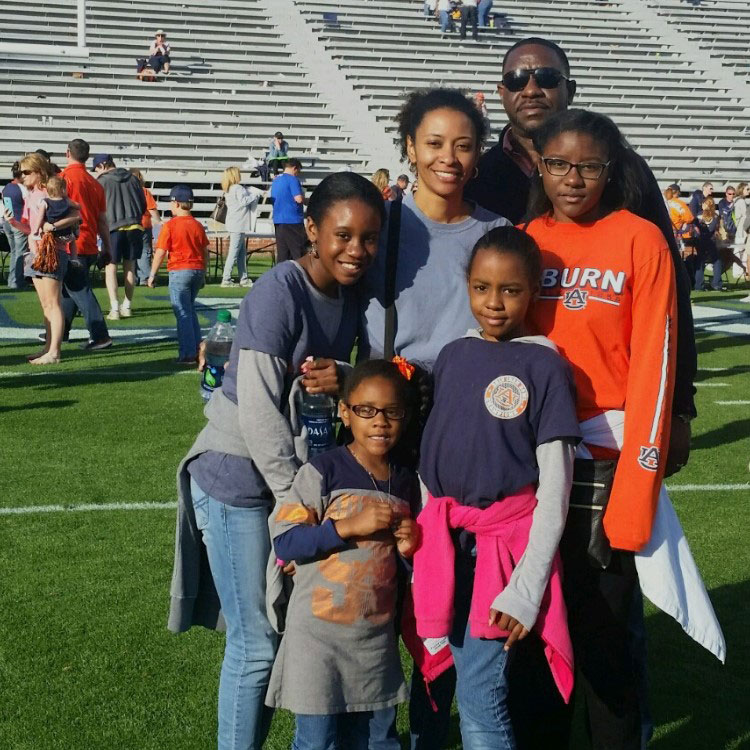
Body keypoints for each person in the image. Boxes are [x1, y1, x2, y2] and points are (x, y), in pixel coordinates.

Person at [167, 172, 386, 750]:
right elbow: (260, 412)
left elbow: (350, 380)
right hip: (237, 478)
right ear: (311, 229)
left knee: (281, 630)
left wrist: (348, 378)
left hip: (287, 480)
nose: (357, 250)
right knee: (256, 643)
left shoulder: (352, 294)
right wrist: (299, 504)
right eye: (343, 235)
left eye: (369, 238)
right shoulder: (279, 291)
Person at [464, 36, 696, 475]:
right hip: (522, 413)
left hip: (612, 417)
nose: (531, 88)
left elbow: (670, 295)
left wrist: (680, 405)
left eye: (546, 77)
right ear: (501, 92)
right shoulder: (479, 174)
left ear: (570, 89)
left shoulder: (625, 168)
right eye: (517, 78)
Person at [359, 87, 508, 749]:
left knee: (444, 595)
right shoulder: (380, 225)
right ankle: (377, 733)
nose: (449, 157)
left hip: (467, 433)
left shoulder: (499, 233)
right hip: (386, 427)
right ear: (410, 148)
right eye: (435, 143)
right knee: (375, 594)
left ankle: (429, 730)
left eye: (464, 145)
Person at [525, 108, 677, 749]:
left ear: (610, 171)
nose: (573, 178)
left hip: (606, 462)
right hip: (531, 462)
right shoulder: (524, 238)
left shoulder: (641, 239)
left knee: (604, 637)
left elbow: (655, 367)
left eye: (589, 166)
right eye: (559, 163)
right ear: (540, 166)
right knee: (535, 630)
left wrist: (636, 488)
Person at [414, 226, 580, 750]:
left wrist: (526, 589)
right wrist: (425, 545)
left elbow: (555, 488)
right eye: (482, 287)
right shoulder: (454, 355)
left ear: (533, 291)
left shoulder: (545, 365)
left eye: (510, 290)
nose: (494, 302)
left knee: (481, 697)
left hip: (501, 556)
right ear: (467, 285)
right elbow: (433, 459)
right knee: (443, 680)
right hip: (444, 547)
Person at [266, 359, 420, 750]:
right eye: (366, 410)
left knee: (378, 740)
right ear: (345, 413)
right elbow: (286, 541)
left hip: (374, 641)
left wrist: (408, 549)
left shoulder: (406, 480)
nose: (379, 422)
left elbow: (400, 569)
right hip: (318, 639)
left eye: (391, 412)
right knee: (317, 741)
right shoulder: (322, 472)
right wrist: (346, 526)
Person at [3, 153, 80, 364]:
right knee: (46, 304)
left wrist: (53, 226)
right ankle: (48, 348)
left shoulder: (51, 192)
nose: (22, 176)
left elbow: (77, 215)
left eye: (27, 172)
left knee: (53, 303)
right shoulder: (31, 195)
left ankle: (54, 352)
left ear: (39, 172)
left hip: (52, 251)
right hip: (35, 252)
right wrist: (14, 223)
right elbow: (31, 229)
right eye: (21, 172)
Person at [60, 138, 112, 351]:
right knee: (70, 290)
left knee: (79, 289)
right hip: (89, 242)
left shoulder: (63, 179)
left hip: (71, 244)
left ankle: (100, 335)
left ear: (67, 153)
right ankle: (60, 331)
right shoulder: (95, 183)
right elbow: (102, 220)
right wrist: (107, 246)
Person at [147, 185, 208, 364]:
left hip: (180, 270)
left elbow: (160, 252)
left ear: (176, 203)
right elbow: (205, 252)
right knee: (190, 310)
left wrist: (152, 274)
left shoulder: (171, 225)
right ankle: (197, 349)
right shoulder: (197, 225)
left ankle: (188, 353)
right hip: (197, 269)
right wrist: (204, 272)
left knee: (182, 313)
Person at [94, 153, 146, 320]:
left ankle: (115, 308)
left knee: (111, 268)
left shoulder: (101, 181)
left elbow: (97, 208)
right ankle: (127, 305)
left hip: (112, 228)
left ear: (102, 165)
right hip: (134, 226)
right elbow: (143, 204)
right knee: (130, 267)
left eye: (96, 169)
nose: (96, 172)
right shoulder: (134, 179)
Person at [220, 166, 262, 288]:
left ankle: (243, 278)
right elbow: (244, 201)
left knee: (241, 253)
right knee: (234, 253)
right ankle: (226, 279)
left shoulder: (229, 189)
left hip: (234, 223)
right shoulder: (237, 188)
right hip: (238, 224)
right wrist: (255, 195)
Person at [270, 158, 306, 263]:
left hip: (278, 220)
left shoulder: (276, 180)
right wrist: (307, 200)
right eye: (298, 171)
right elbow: (298, 199)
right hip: (293, 220)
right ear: (295, 168)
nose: (297, 174)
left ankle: (282, 273)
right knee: (298, 254)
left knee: (283, 255)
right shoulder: (293, 180)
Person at [130, 168, 161, 286]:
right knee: (144, 251)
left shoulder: (125, 191)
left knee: (131, 252)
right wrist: (159, 221)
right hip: (144, 224)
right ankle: (145, 278)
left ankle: (133, 278)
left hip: (129, 224)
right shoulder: (144, 191)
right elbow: (151, 208)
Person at [2, 162, 29, 290]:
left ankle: (11, 280)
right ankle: (17, 281)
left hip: (7, 222)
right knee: (20, 254)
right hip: (18, 224)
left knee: (14, 252)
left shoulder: (7, 187)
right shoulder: (22, 189)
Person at [41, 176, 80, 251]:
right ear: (63, 190)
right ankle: (74, 256)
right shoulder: (66, 201)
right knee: (73, 239)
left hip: (51, 234)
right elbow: (78, 207)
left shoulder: (46, 202)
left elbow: (40, 217)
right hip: (66, 234)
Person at [694, 197, 723, 292]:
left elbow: (696, 227)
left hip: (701, 241)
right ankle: (716, 284)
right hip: (711, 241)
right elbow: (712, 229)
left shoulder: (699, 215)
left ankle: (699, 285)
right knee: (717, 261)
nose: (702, 205)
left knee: (700, 262)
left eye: (703, 203)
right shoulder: (715, 216)